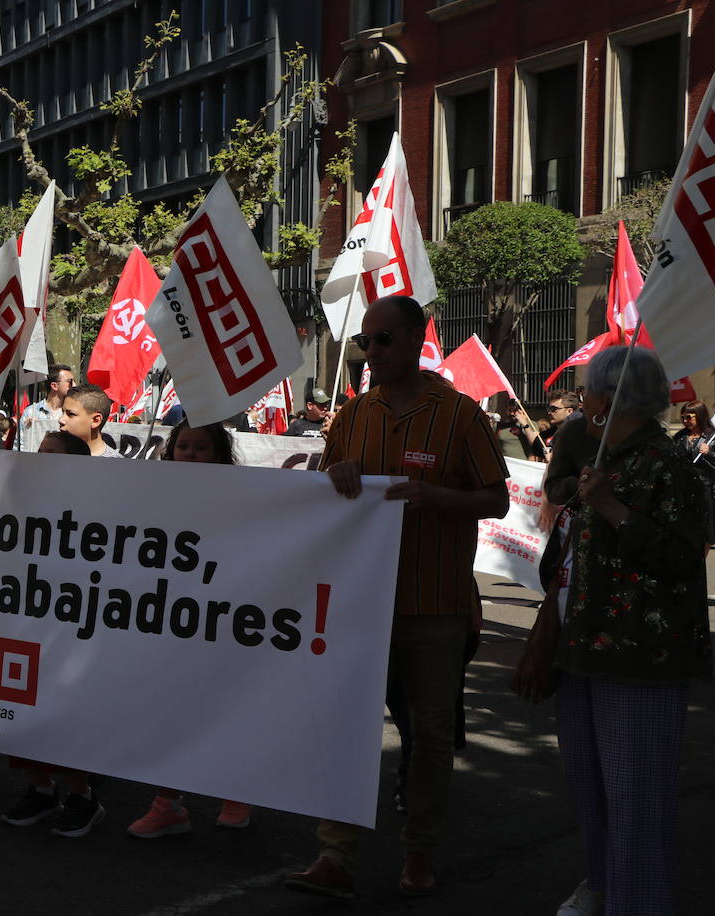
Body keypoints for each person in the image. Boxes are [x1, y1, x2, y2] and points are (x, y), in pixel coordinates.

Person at [285, 295, 509, 899]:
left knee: (430, 735)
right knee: (343, 726)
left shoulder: (461, 416)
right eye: (365, 341)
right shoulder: (354, 416)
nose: (371, 352)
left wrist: (439, 499)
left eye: (382, 340)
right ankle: (335, 854)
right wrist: (332, 478)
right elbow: (326, 494)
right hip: (360, 605)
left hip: (434, 604)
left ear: (416, 339)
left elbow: (497, 501)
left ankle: (419, 852)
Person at [538, 347, 711, 916]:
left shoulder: (667, 465)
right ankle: (602, 885)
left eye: (587, 390)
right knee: (591, 792)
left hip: (640, 659)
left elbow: (684, 557)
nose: (580, 399)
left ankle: (636, 902)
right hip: (585, 647)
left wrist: (611, 507)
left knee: (637, 801)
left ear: (610, 400)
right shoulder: (604, 456)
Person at [125, 421, 252, 837]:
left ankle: (235, 793)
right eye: (184, 447)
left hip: (222, 619)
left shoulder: (246, 500)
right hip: (169, 619)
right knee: (170, 710)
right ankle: (168, 803)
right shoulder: (155, 494)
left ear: (219, 455)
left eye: (201, 448)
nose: (191, 455)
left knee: (224, 707)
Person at [0, 427, 106, 838]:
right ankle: (39, 789)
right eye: (39, 452)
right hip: (24, 621)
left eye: (52, 455)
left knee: (63, 711)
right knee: (21, 705)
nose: (41, 460)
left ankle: (82, 797)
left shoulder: (95, 511)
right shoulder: (21, 501)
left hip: (68, 631)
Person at [673, 399, 715, 549]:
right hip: (684, 489)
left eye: (689, 417)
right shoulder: (679, 437)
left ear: (700, 416)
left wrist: (709, 454)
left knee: (706, 533)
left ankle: (700, 562)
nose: (685, 421)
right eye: (683, 417)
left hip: (706, 490)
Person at [19, 363, 74, 446]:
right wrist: (32, 429)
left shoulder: (75, 413)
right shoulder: (31, 411)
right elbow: (20, 446)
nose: (74, 385)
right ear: (54, 386)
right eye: (70, 382)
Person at [58, 384, 118, 457]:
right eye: (62, 412)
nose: (61, 420)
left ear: (95, 420)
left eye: (71, 414)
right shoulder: (51, 453)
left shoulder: (117, 465)